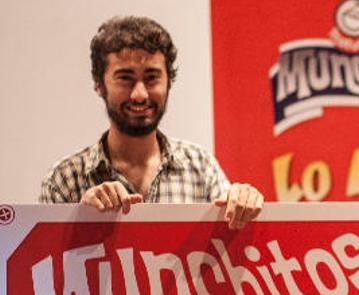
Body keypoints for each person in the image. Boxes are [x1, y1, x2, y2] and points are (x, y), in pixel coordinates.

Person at [40, 16, 262, 229]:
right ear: (99, 84)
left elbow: (231, 244)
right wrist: (78, 221)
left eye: (152, 77)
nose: (140, 94)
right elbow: (40, 263)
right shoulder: (64, 180)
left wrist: (243, 202)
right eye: (125, 78)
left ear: (168, 81)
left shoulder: (201, 168)